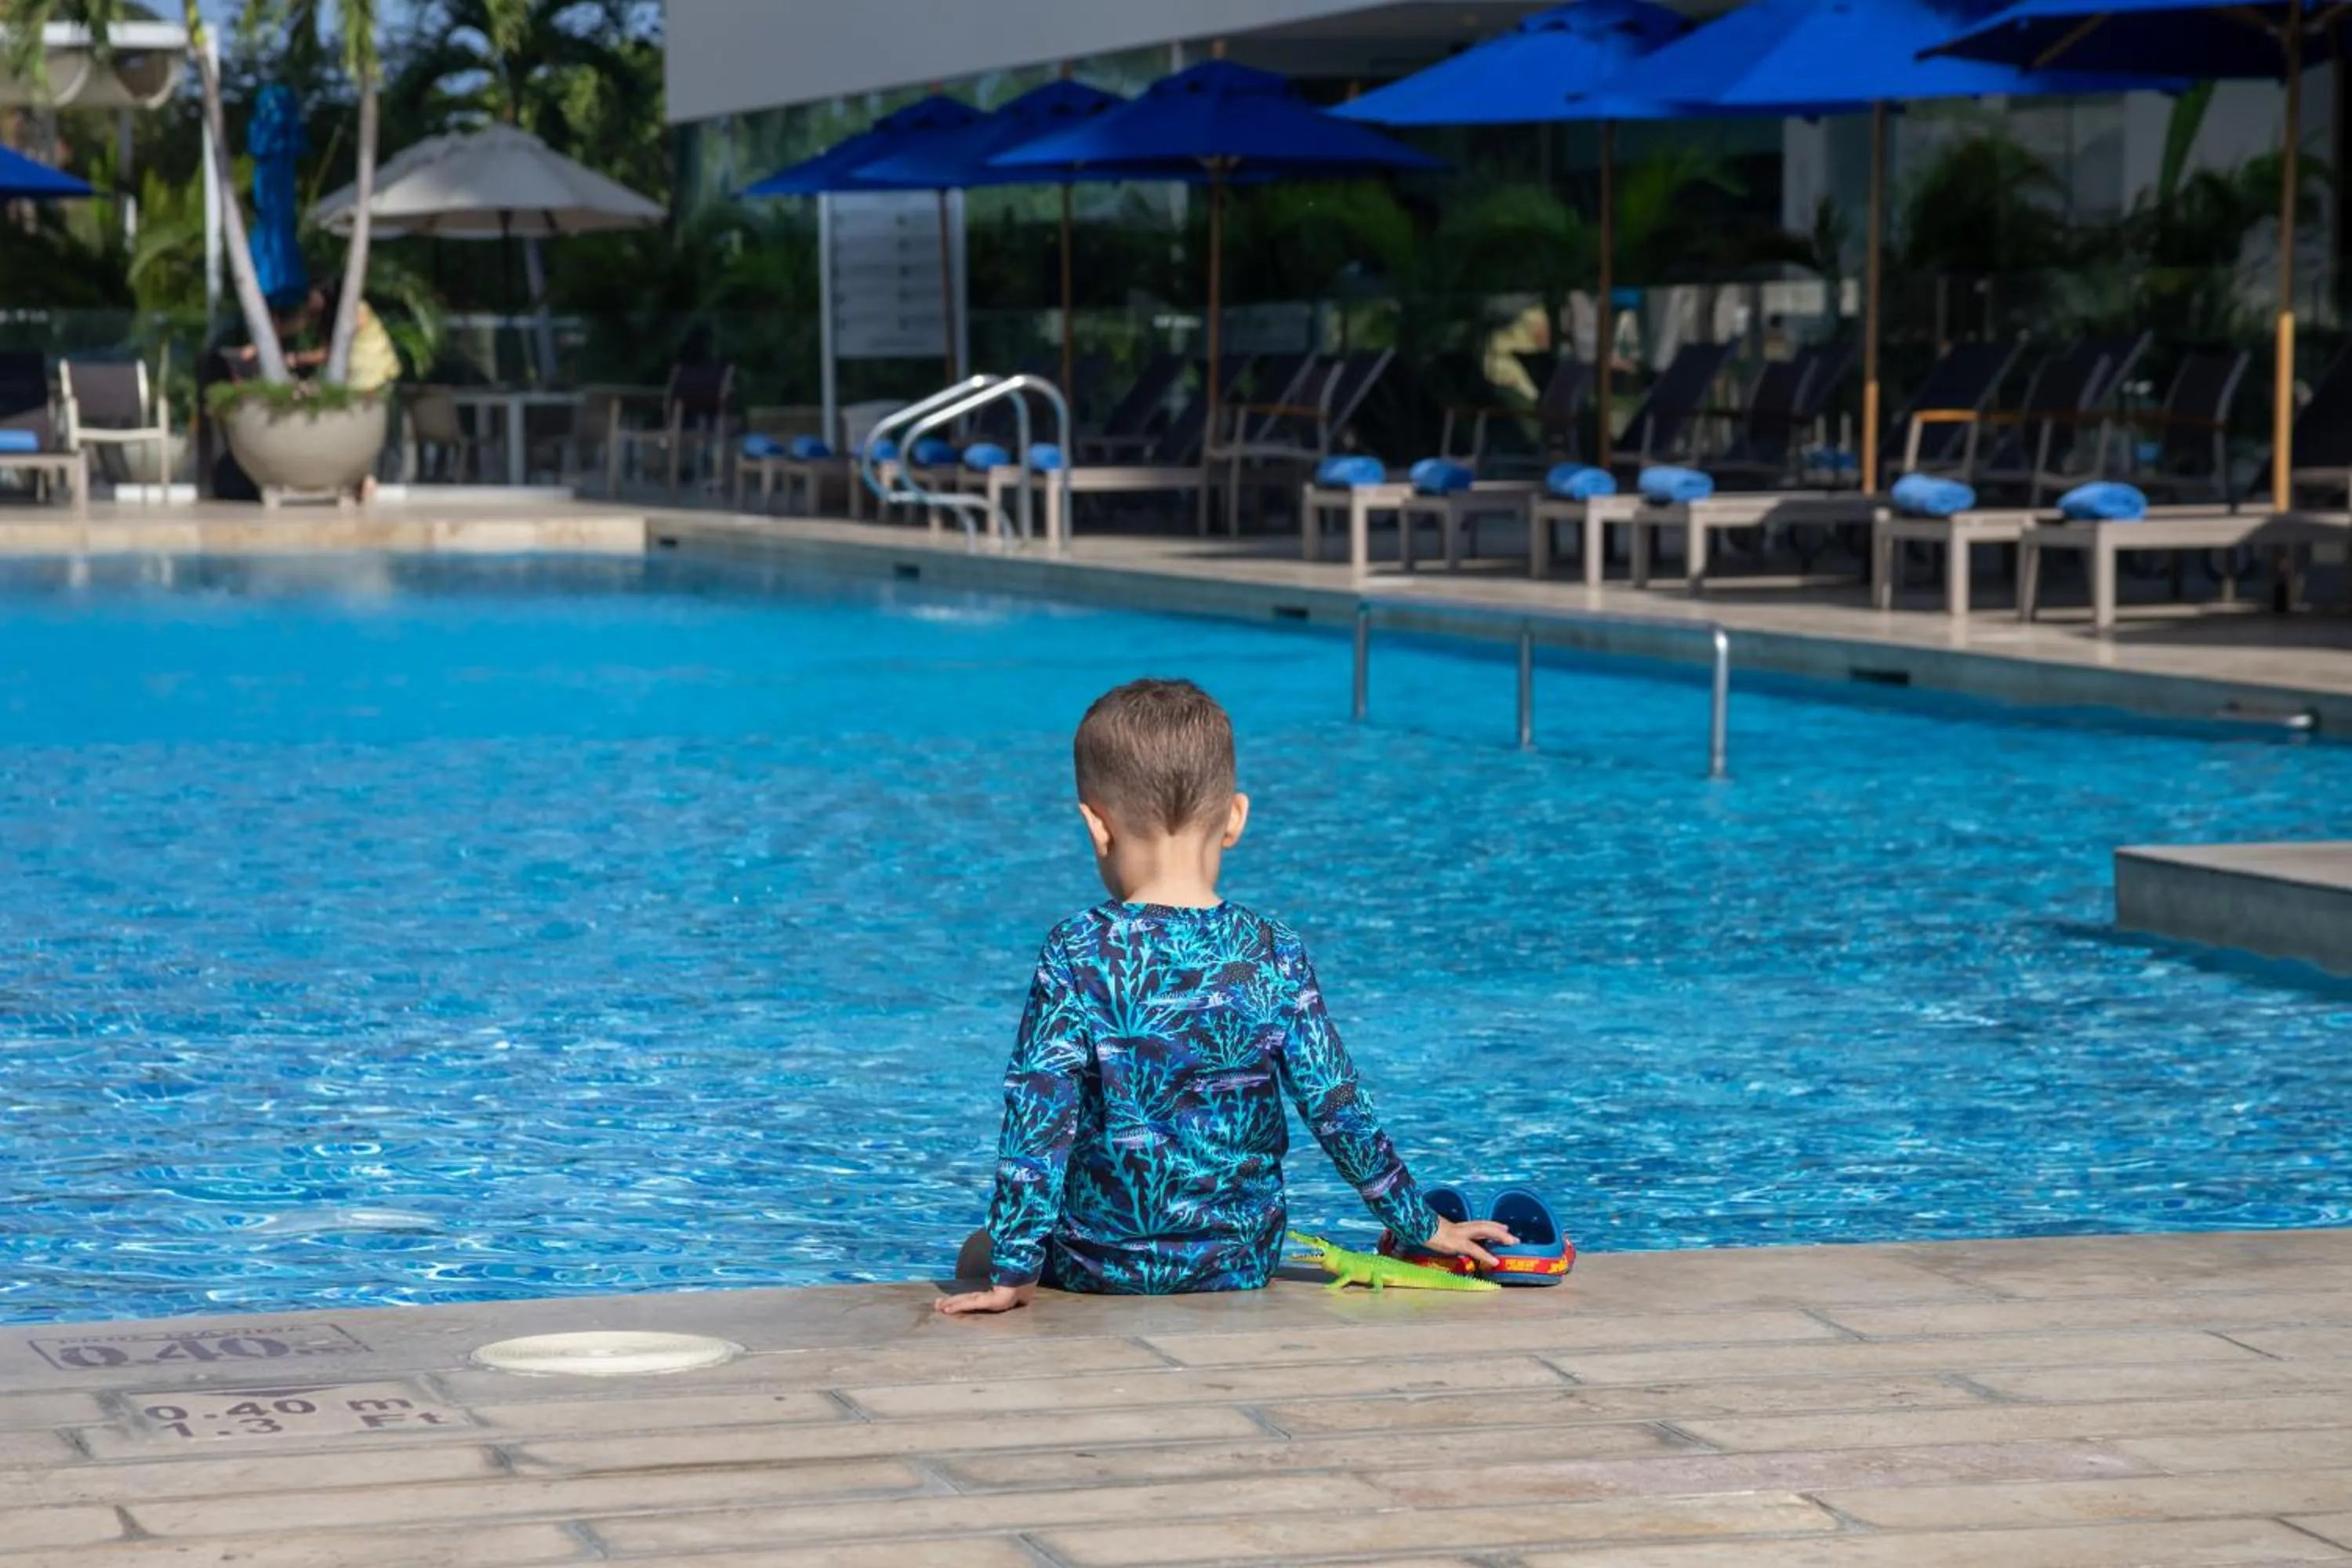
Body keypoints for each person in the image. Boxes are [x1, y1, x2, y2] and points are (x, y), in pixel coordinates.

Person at [937, 678, 1514, 1316]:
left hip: (1097, 1260)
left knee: (975, 1252)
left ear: (1096, 825)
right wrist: (1421, 1225)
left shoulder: (1076, 950)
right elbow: (1337, 1106)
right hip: (1239, 1257)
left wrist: (1015, 1267)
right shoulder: (1273, 950)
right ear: (1235, 818)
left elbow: (1038, 1119)